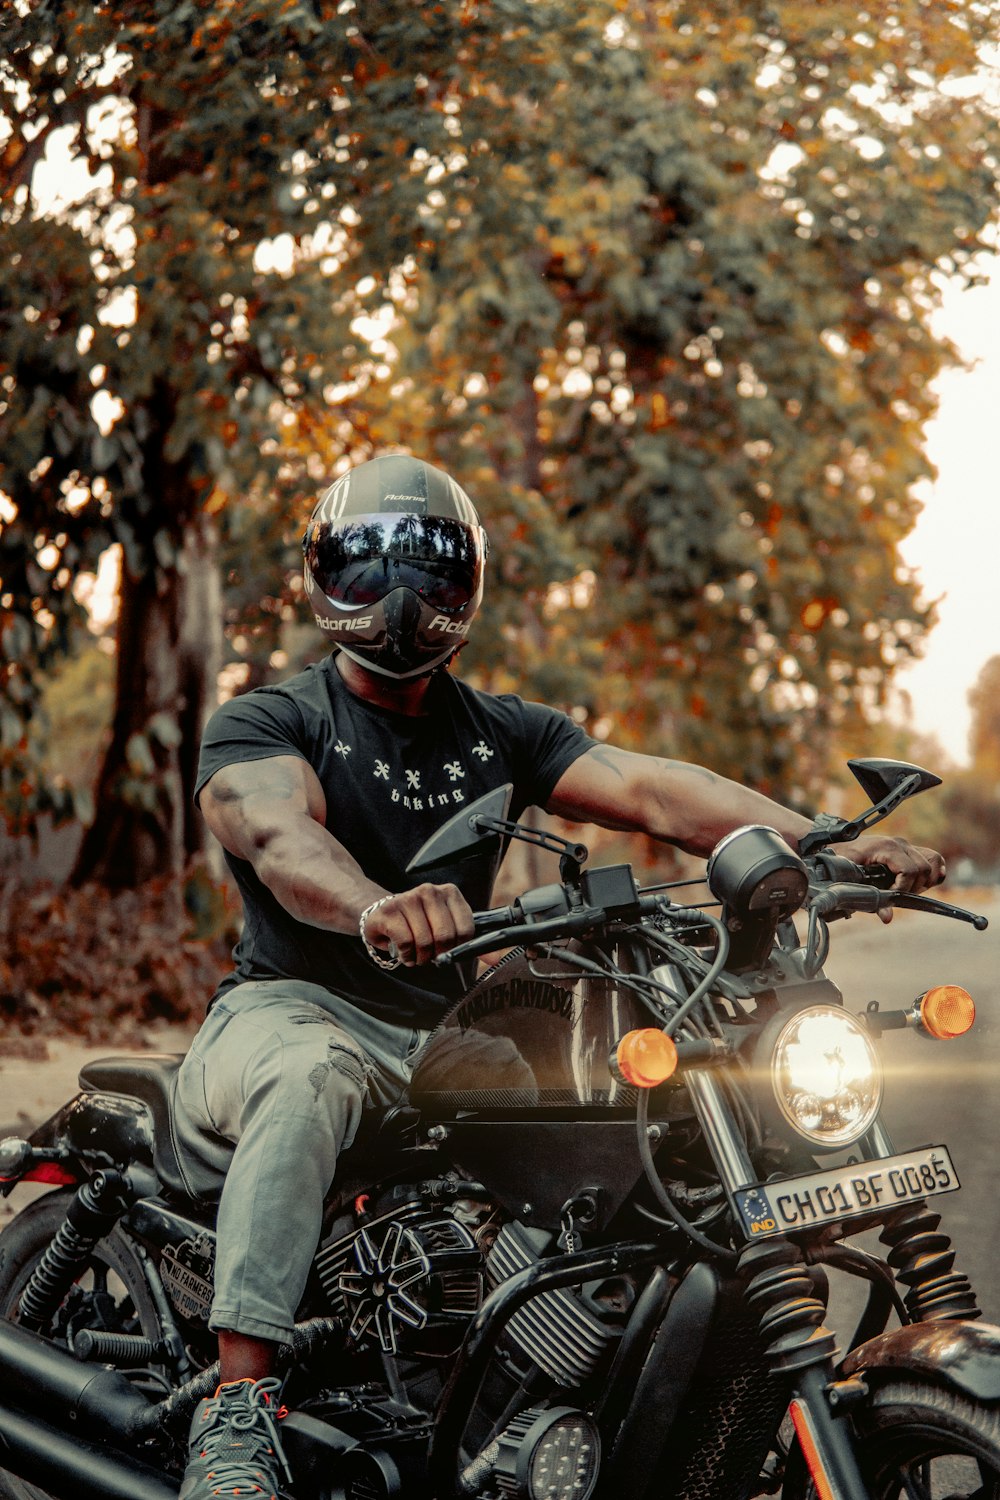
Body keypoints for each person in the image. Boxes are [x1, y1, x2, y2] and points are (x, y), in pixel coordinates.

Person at [174, 453, 945, 1500]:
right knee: (307, 1082)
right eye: (366, 568)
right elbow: (274, 836)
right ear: (320, 576)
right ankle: (239, 1403)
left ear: (469, 588)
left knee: (624, 1106)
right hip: (290, 1011)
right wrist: (374, 906)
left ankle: (530, 1388)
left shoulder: (499, 730)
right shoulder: (272, 720)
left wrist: (816, 845)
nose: (400, 601)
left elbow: (652, 791)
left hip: (452, 1032)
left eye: (432, 574)